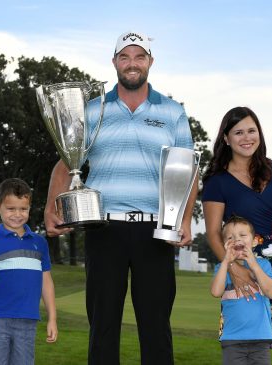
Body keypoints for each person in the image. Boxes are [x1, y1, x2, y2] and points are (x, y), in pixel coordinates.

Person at [44, 31, 197, 365]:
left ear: (150, 62)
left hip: (155, 230)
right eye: (125, 57)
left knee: (156, 328)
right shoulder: (93, 109)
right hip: (103, 228)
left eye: (139, 57)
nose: (132, 64)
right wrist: (50, 207)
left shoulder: (172, 112)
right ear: (114, 62)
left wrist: (184, 218)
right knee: (102, 326)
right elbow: (66, 162)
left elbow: (187, 169)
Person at [202, 106, 272, 365]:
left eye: (252, 131)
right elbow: (212, 233)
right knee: (246, 345)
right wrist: (234, 270)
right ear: (226, 138)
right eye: (238, 132)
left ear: (260, 134)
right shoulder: (216, 181)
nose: (246, 137)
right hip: (243, 264)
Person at [0, 178, 57, 365]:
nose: (17, 214)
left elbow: (46, 281)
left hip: (28, 321)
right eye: (11, 208)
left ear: (30, 208)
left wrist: (52, 318)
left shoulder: (39, 243)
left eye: (23, 209)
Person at [211, 215, 272, 365]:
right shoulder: (222, 269)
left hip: (260, 338)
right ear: (224, 244)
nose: (237, 240)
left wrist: (253, 264)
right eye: (230, 237)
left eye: (242, 235)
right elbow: (216, 292)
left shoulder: (264, 265)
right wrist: (226, 262)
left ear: (254, 241)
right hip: (232, 339)